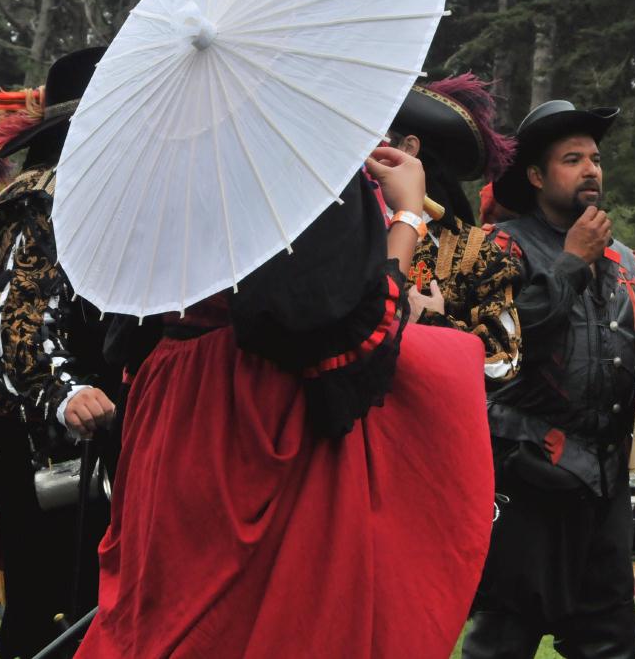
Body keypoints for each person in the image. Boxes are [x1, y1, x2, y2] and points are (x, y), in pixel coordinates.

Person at [75, 146, 495, 658]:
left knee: (165, 612)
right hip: (254, 405)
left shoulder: (166, 162)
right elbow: (350, 328)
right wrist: (405, 215)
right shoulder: (298, 159)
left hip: (168, 398)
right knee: (263, 617)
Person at [462, 99, 635, 659]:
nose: (591, 169)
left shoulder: (632, 265)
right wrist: (569, 263)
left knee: (610, 646)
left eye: (595, 157)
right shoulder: (498, 247)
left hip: (605, 493)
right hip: (525, 480)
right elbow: (493, 349)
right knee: (502, 643)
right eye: (572, 159)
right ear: (537, 176)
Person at [0, 49, 122, 657]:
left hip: (76, 419)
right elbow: (22, 317)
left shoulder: (90, 191)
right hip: (45, 429)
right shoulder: (44, 196)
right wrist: (66, 394)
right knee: (57, 600)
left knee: (80, 592)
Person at [387, 75, 521, 386]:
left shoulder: (477, 253)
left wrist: (434, 323)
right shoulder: (348, 227)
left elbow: (505, 362)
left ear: (407, 148)